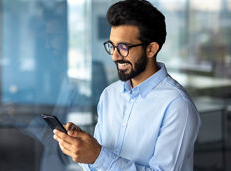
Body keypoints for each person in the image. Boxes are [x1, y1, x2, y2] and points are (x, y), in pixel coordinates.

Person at [53, 0, 201, 170]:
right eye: (112, 46)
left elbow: (102, 159)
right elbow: (98, 164)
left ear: (151, 49)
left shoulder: (177, 105)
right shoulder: (110, 95)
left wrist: (98, 156)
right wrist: (83, 148)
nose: (115, 56)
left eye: (123, 47)